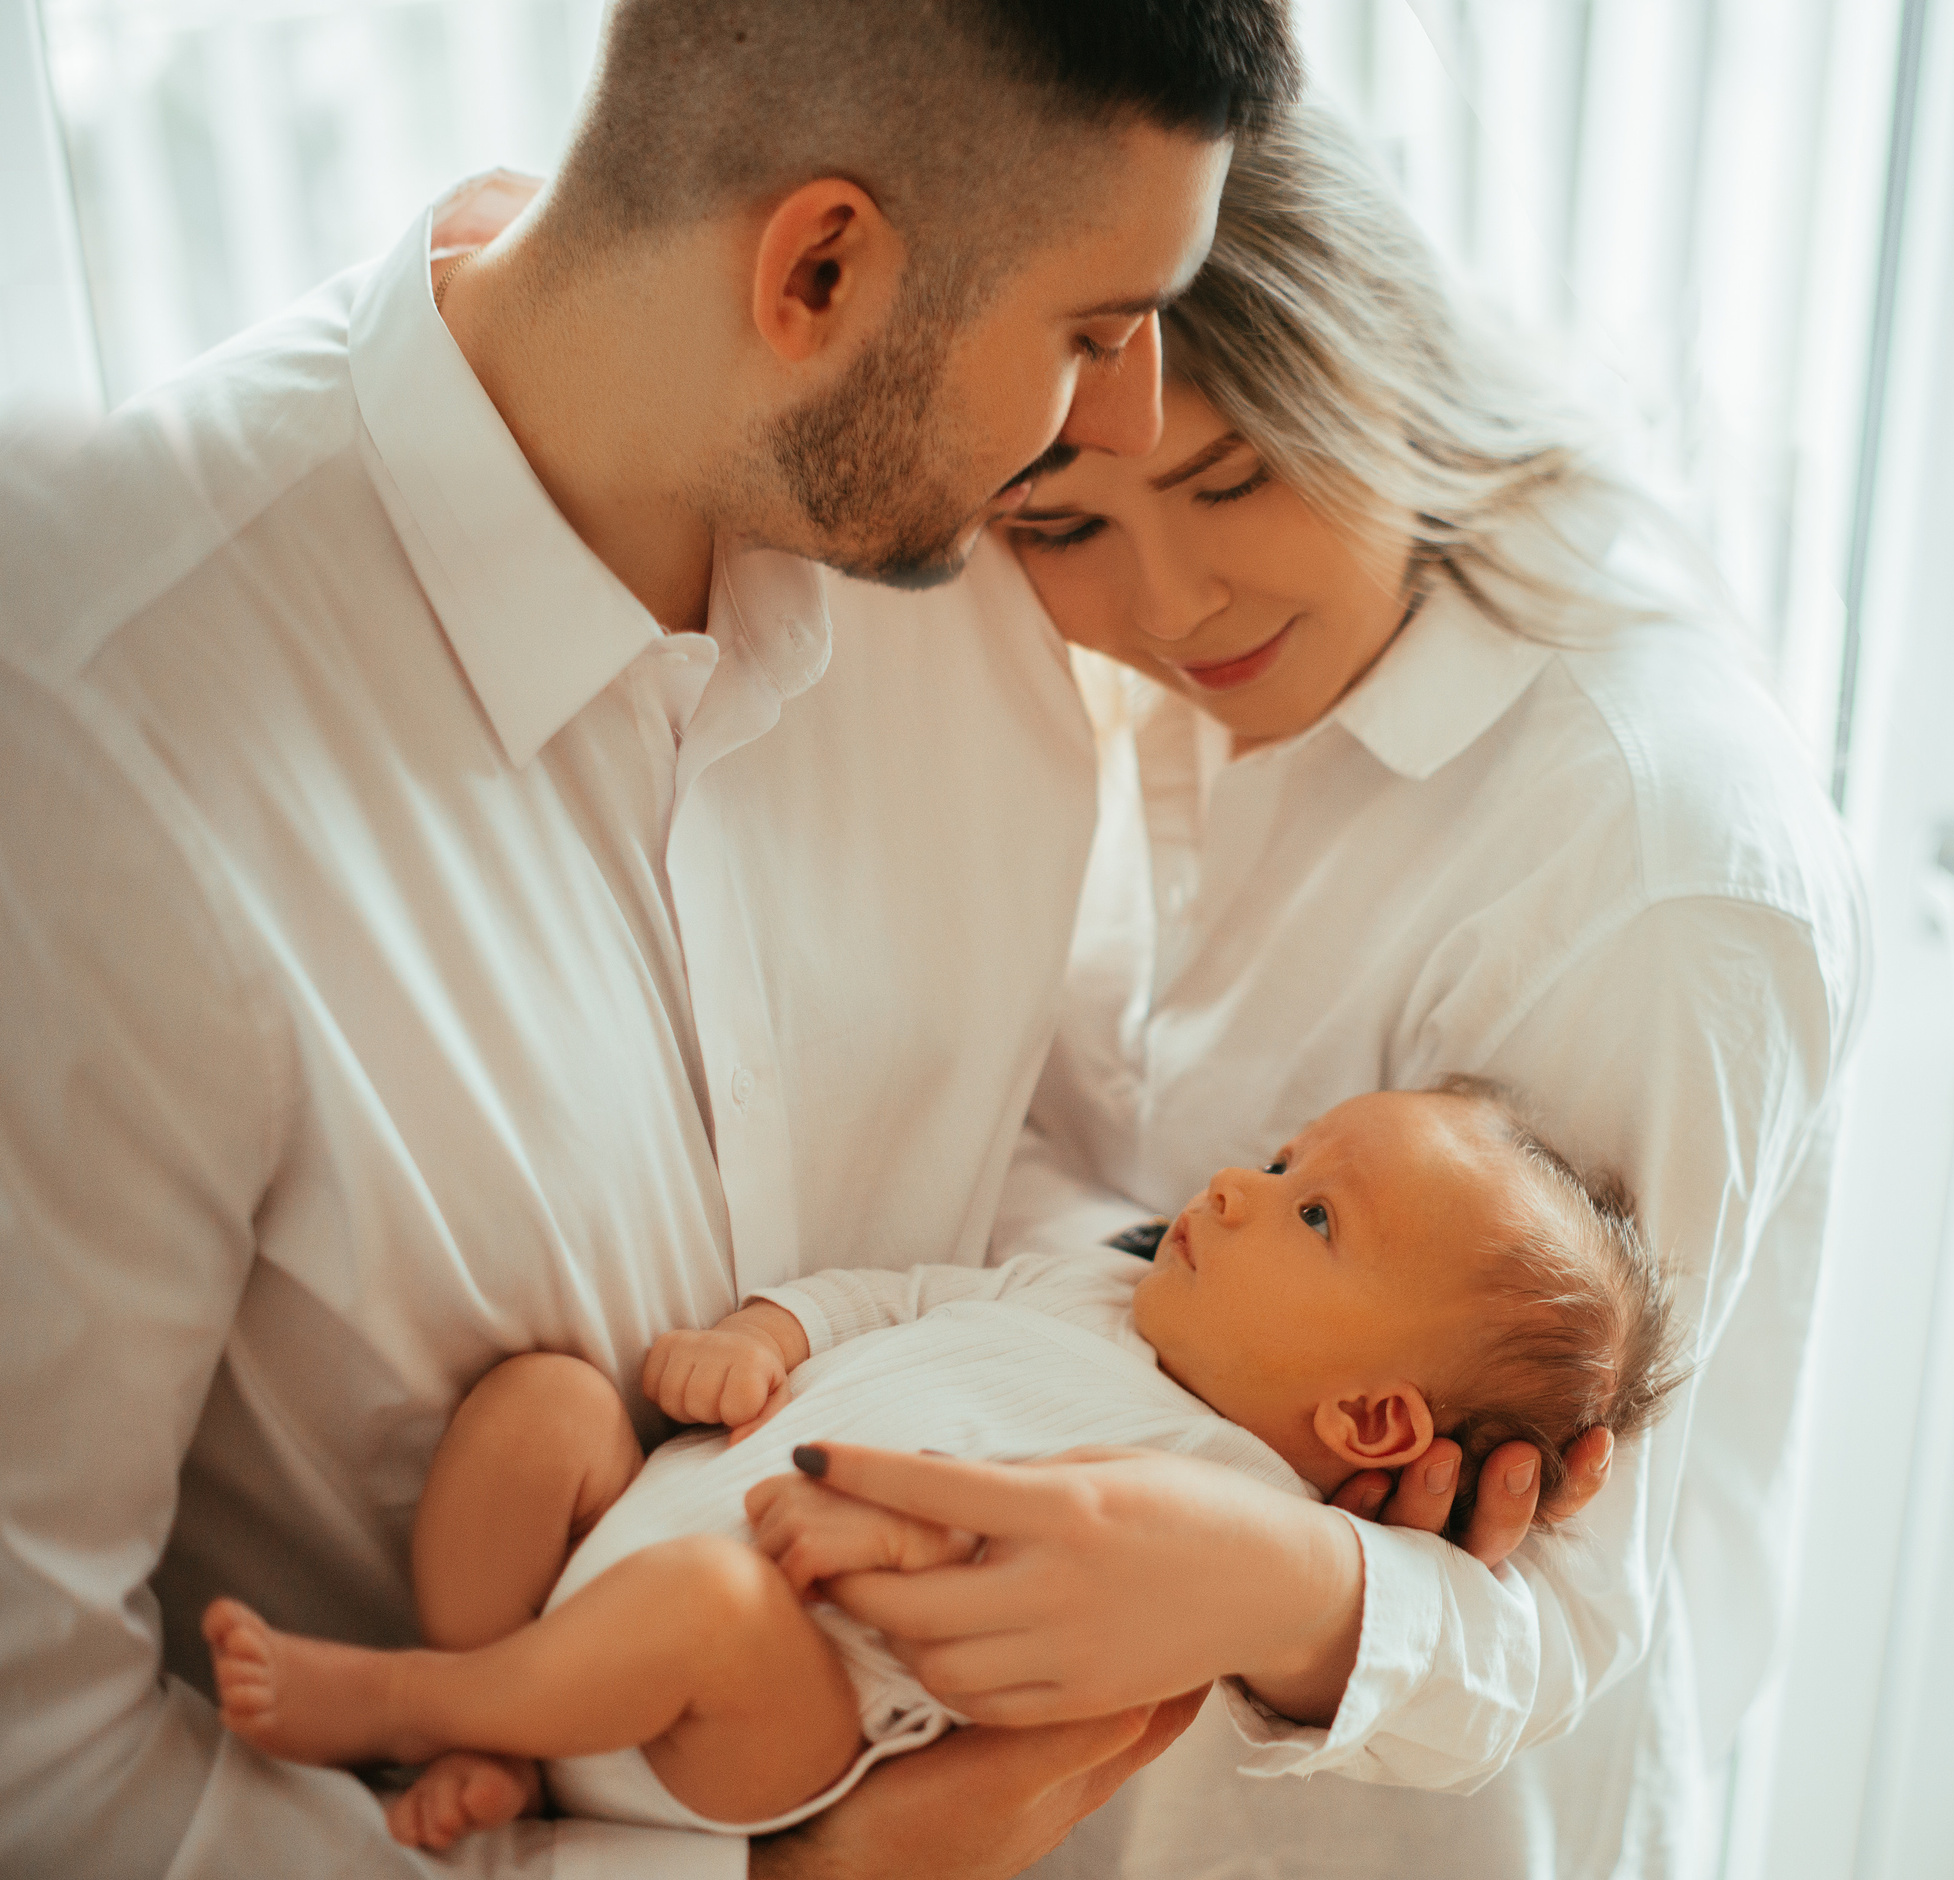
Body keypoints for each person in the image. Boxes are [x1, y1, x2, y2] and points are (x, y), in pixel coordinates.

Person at [0, 4, 1301, 1877]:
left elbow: (987, 1158)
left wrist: (1305, 1432)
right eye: (1095, 332)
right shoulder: (104, 733)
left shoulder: (969, 591)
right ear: (820, 268)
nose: (1132, 413)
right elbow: (39, 1763)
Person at [763, 106, 1870, 1880]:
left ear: (1377, 367)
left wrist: (1273, 1578)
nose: (1172, 600)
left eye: (1232, 482)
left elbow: (1570, 1606)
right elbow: (1082, 1137)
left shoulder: (1645, 865)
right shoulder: (1140, 692)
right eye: (1065, 526)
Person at [199, 1081, 1681, 1854]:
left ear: (1368, 1425)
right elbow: (899, 1296)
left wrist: (912, 1559)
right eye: (1286, 1158)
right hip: (617, 1568)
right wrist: (774, 1331)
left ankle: (402, 1700)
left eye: (1310, 1219)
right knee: (543, 1409)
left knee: (710, 1605)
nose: (1239, 1184)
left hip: (755, 1722)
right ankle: (500, 1716)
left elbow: (1046, 1647)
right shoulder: (1091, 1292)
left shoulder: (1212, 1500)